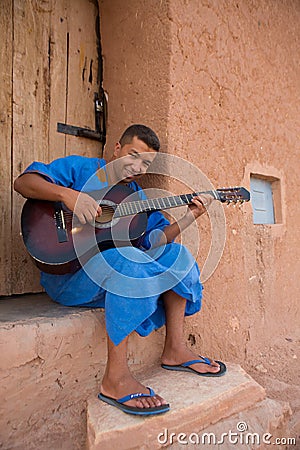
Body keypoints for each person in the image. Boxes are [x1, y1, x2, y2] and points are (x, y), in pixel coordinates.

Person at [14, 124, 226, 416]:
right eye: (132, 155)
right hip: (69, 277)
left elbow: (156, 242)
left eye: (145, 163)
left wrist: (190, 216)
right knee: (128, 260)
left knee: (177, 255)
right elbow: (24, 183)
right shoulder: (82, 169)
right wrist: (67, 195)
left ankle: (175, 348)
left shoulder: (140, 201)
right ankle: (116, 378)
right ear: (117, 149)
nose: (137, 167)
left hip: (111, 280)